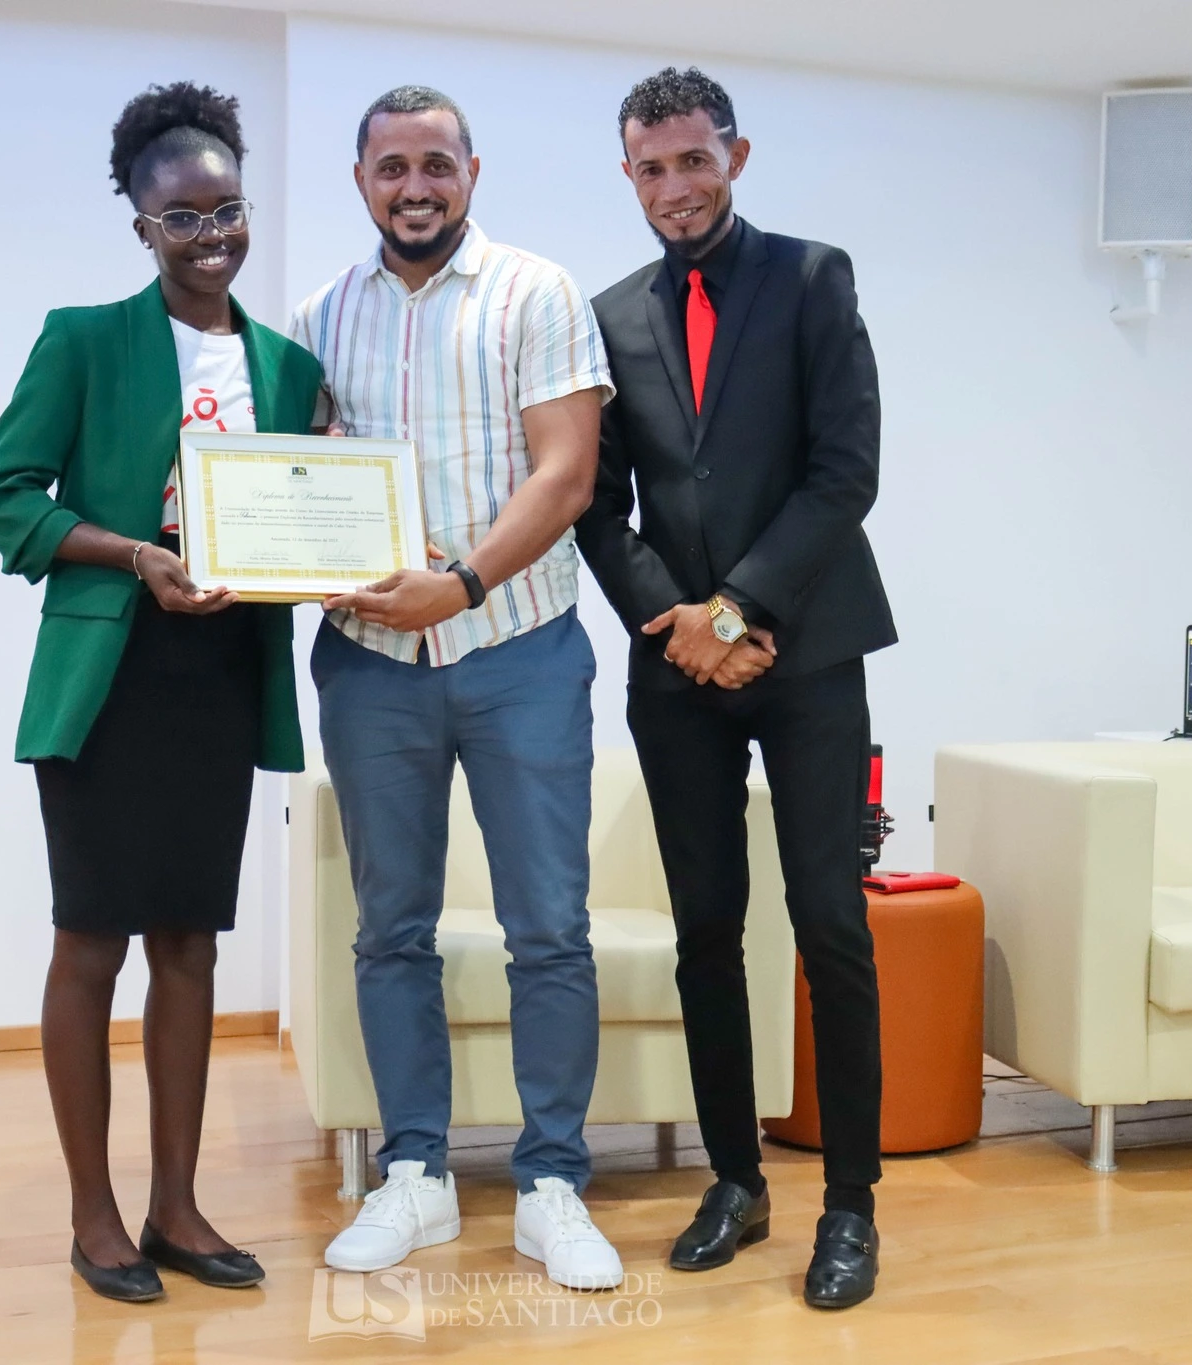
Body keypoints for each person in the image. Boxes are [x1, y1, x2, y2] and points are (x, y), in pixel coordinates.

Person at [0, 82, 322, 1304]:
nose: (212, 233)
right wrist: (130, 553)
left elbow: (299, 515)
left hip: (219, 677)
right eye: (183, 216)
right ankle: (94, 1213)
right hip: (108, 673)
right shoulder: (83, 339)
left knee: (188, 940)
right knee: (91, 938)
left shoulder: (286, 366)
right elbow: (3, 494)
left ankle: (176, 1203)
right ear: (142, 228)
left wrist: (329, 513)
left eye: (229, 209)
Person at [575, 67, 897, 1311]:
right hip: (677, 669)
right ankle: (734, 1182)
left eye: (692, 161)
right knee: (705, 928)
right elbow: (602, 509)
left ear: (734, 155)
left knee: (829, 922)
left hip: (806, 651)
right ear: (629, 176)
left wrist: (738, 609)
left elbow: (843, 471)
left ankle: (851, 1207)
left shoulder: (812, 277)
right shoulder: (608, 313)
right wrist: (680, 625)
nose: (674, 186)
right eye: (650, 169)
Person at [289, 86, 621, 1290]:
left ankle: (550, 1185)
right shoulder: (317, 316)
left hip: (519, 647)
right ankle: (416, 1176)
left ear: (470, 173)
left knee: (549, 932)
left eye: (435, 163)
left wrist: (462, 581)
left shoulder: (537, 293)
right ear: (361, 179)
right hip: (373, 665)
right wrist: (294, 560)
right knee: (389, 931)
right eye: (390, 167)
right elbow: (292, 479)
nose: (413, 185)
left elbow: (566, 473)